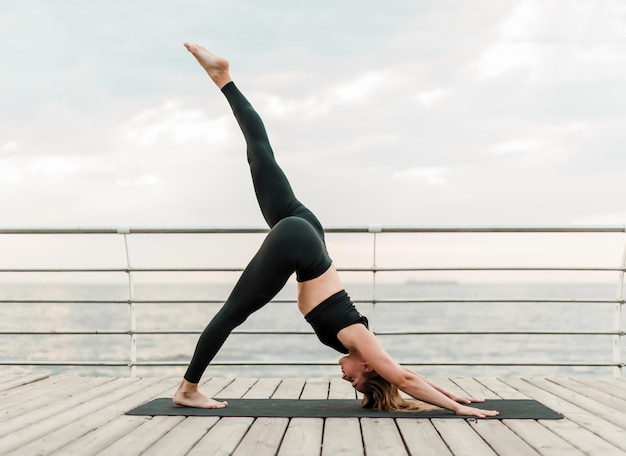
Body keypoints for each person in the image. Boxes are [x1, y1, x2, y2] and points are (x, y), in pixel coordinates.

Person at [173, 43, 499, 419]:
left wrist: (458, 395)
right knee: (232, 312)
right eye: (357, 383)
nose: (346, 379)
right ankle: (188, 389)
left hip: (308, 233)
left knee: (260, 153)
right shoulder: (360, 342)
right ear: (369, 368)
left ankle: (223, 78)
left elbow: (403, 373)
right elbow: (405, 379)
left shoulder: (365, 348)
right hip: (299, 241)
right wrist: (458, 409)